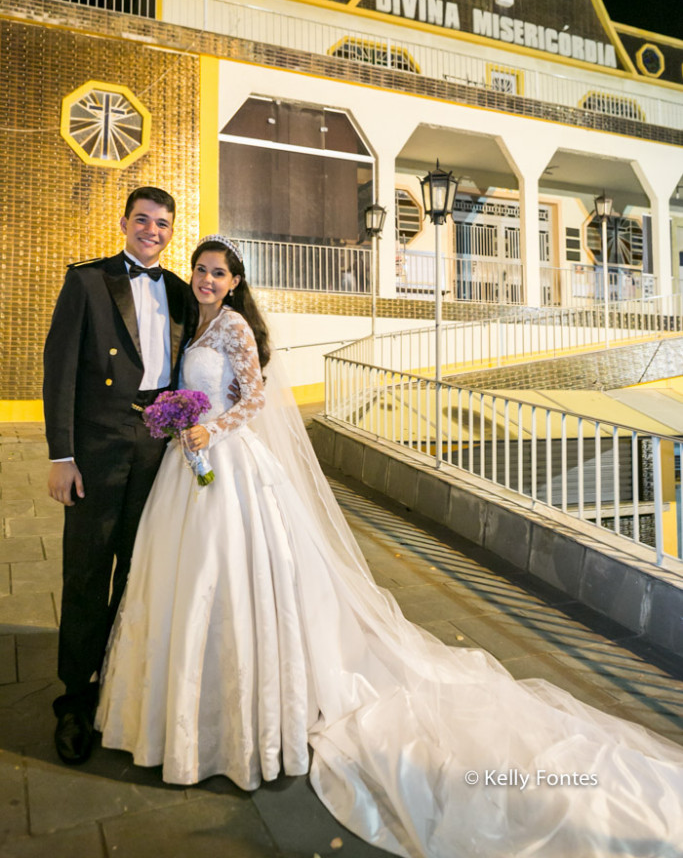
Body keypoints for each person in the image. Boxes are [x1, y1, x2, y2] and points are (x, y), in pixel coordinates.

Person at [96, 234, 683, 857]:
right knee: (186, 581)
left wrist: (209, 426)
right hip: (188, 466)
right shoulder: (195, 326)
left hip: (229, 462)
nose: (207, 279)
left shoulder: (236, 327)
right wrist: (181, 418)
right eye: (201, 270)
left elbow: (255, 398)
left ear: (235, 281)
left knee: (235, 575)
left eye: (218, 273)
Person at [43, 187, 195, 766]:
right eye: (142, 220)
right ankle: (75, 702)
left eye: (162, 224)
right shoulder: (87, 281)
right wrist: (62, 456)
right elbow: (59, 372)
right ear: (125, 223)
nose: (151, 231)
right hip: (99, 446)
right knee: (86, 570)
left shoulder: (181, 292)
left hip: (156, 449)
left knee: (137, 573)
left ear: (170, 231)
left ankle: (118, 681)